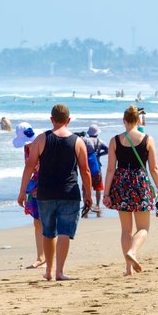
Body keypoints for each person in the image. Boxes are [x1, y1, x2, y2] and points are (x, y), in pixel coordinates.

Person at [17, 104, 93, 281]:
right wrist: (88, 194)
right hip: (69, 192)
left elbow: (29, 166)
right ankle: (59, 271)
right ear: (68, 120)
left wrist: (22, 191)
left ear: (51, 119)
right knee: (65, 231)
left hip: (46, 192)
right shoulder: (78, 141)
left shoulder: (41, 140)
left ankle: (49, 271)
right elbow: (85, 170)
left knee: (48, 232)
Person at [103, 105, 158, 276]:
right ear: (138, 120)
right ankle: (133, 252)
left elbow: (110, 170)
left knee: (125, 230)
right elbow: (154, 168)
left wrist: (106, 193)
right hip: (140, 184)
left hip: (121, 184)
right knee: (143, 227)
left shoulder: (115, 140)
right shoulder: (148, 139)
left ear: (124, 121)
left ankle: (128, 269)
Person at [13, 122, 44, 269]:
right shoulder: (27, 148)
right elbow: (29, 169)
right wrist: (24, 190)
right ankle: (41, 256)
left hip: (47, 184)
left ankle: (47, 257)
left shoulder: (43, 145)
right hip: (35, 185)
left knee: (46, 222)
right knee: (37, 221)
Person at [85, 124, 108, 215]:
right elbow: (108, 150)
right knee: (98, 187)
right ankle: (97, 205)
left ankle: (87, 205)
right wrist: (99, 154)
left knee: (86, 187)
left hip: (86, 166)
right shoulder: (100, 141)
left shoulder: (85, 141)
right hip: (97, 166)